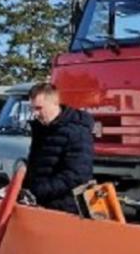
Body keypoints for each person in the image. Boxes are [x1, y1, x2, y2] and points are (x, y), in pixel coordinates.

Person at [23, 82, 94, 213]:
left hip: (65, 208)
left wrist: (37, 191)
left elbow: (76, 175)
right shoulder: (41, 130)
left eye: (39, 108)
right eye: (32, 109)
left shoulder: (76, 132)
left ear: (54, 103)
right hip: (40, 206)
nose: (34, 114)